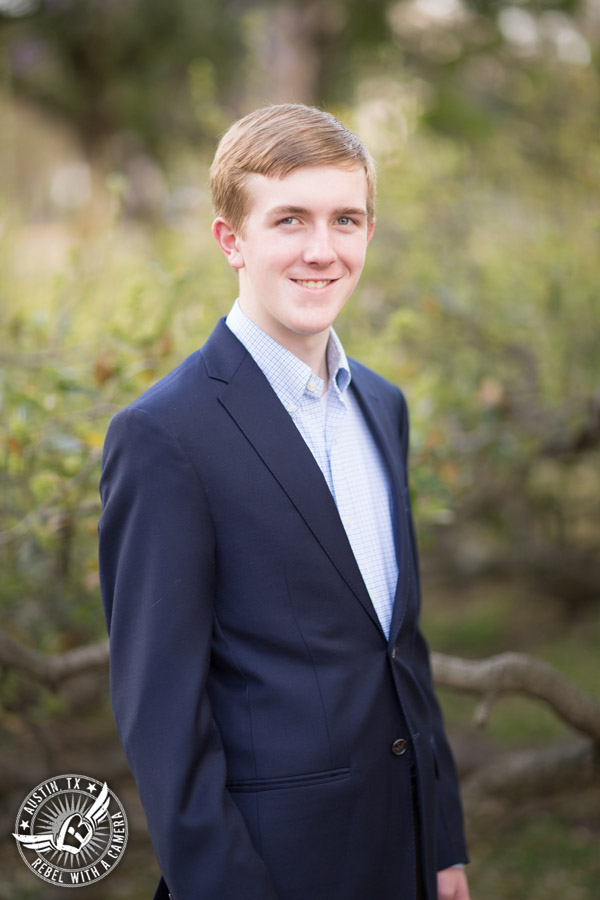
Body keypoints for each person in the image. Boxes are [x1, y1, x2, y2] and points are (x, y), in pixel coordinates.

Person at [99, 104, 470, 900]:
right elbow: (161, 722)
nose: (321, 250)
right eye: (289, 219)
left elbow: (401, 649)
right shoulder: (163, 437)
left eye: (346, 219)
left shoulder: (383, 404)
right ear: (231, 240)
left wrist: (442, 847)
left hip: (401, 859)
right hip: (273, 870)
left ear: (370, 232)